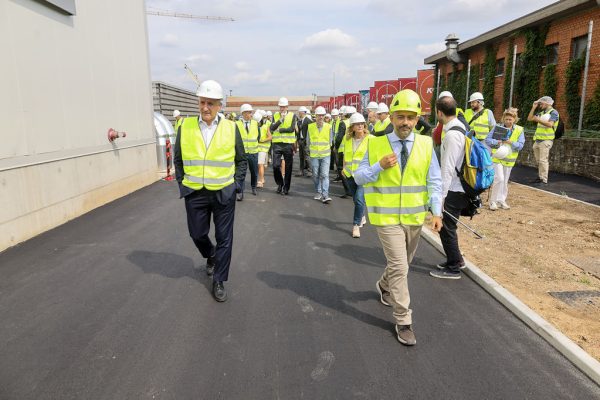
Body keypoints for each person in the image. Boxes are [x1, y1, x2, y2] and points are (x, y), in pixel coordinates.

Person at [354, 89, 443, 346]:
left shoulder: (427, 145)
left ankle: (384, 286)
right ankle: (404, 320)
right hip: (385, 216)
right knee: (400, 267)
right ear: (391, 117)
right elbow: (358, 177)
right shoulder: (374, 143)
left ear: (417, 120)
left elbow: (434, 181)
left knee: (401, 264)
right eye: (401, 116)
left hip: (415, 217)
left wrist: (436, 211)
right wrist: (378, 166)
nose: (405, 122)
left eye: (411, 117)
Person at [173, 80, 247, 302]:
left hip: (224, 192)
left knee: (225, 238)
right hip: (195, 192)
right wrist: (182, 184)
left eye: (211, 103)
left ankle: (219, 280)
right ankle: (210, 254)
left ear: (219, 105)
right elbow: (178, 160)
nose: (206, 107)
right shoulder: (184, 127)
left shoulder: (231, 128)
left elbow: (241, 160)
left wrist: (235, 186)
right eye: (203, 102)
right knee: (197, 233)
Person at [430, 95, 470, 280]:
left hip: (454, 188)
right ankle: (455, 259)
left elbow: (447, 168)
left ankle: (454, 267)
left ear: (439, 112)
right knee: (449, 227)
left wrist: (441, 196)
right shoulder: (460, 127)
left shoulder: (452, 135)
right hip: (458, 186)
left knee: (446, 227)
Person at [485, 108, 525, 210]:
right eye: (506, 119)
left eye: (510, 119)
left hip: (509, 160)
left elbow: (520, 145)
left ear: (514, 119)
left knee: (505, 181)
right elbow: (488, 140)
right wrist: (496, 142)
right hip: (497, 157)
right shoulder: (497, 127)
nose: (508, 121)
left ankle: (501, 200)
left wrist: (510, 142)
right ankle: (492, 202)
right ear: (503, 119)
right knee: (499, 179)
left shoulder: (519, 130)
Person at [343, 113, 370, 238]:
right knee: (356, 200)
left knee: (359, 199)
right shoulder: (347, 139)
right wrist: (343, 168)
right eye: (357, 124)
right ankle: (362, 216)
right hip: (350, 174)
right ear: (352, 127)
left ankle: (355, 225)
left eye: (361, 123)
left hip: (363, 175)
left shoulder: (371, 139)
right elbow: (345, 154)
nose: (360, 126)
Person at [527, 96, 559, 185]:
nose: (540, 105)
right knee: (539, 161)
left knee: (543, 160)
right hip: (537, 140)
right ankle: (540, 177)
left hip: (546, 140)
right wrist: (533, 107)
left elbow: (550, 124)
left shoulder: (554, 112)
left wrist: (539, 120)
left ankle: (543, 180)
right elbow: (529, 118)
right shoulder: (542, 112)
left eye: (541, 103)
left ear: (547, 103)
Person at [270, 97, 298, 195]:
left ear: (287, 107)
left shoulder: (292, 115)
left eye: (284, 107)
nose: (282, 109)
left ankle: (286, 188)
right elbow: (272, 128)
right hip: (277, 144)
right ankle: (280, 183)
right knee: (275, 166)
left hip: (288, 144)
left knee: (288, 167)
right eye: (280, 107)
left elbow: (291, 129)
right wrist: (280, 121)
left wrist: (281, 130)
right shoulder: (276, 115)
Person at [307, 106, 332, 203]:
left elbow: (330, 140)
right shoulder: (310, 127)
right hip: (314, 155)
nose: (321, 117)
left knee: (325, 175)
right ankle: (318, 192)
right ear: (315, 116)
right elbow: (308, 140)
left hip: (325, 155)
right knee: (315, 175)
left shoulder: (328, 127)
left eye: (322, 115)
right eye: (319, 115)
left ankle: (325, 195)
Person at [235, 104, 261, 199]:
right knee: (241, 172)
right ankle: (240, 191)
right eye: (248, 112)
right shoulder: (237, 124)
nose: (250, 114)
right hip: (241, 153)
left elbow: (258, 137)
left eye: (251, 112)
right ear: (243, 113)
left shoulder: (255, 123)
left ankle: (253, 187)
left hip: (253, 152)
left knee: (254, 171)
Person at [334, 106, 355, 198]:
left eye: (343, 113)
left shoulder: (343, 123)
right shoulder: (354, 122)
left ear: (346, 114)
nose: (341, 115)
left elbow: (339, 138)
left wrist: (336, 147)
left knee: (341, 169)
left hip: (343, 148)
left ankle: (348, 190)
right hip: (354, 149)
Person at [257, 110, 272, 188]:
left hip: (263, 149)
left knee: (260, 164)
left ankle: (260, 180)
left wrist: (262, 140)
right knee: (258, 165)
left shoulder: (266, 126)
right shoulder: (254, 126)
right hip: (255, 148)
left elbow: (270, 137)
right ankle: (262, 178)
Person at [296, 106, 311, 177]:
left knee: (307, 156)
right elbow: (298, 132)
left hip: (306, 141)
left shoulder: (308, 121)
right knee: (301, 156)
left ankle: (309, 170)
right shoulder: (299, 121)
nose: (299, 113)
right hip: (301, 140)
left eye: (299, 112)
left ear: (303, 112)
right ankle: (301, 170)